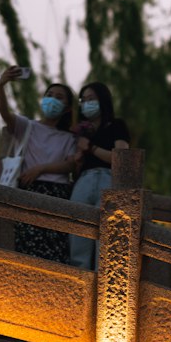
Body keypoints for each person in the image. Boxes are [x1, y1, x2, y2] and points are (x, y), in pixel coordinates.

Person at [0, 66, 78, 262]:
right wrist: (0, 86)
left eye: (59, 97)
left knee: (55, 247)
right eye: (49, 95)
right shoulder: (28, 126)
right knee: (26, 245)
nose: (52, 99)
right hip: (30, 188)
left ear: (67, 108)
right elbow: (6, 114)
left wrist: (41, 168)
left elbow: (70, 165)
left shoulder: (69, 137)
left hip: (57, 192)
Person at [68, 81, 131, 268]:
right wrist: (78, 159)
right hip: (84, 180)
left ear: (103, 100)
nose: (87, 103)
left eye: (91, 99)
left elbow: (121, 157)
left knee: (106, 239)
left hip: (108, 179)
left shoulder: (116, 125)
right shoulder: (81, 131)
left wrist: (91, 148)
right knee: (77, 235)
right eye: (84, 100)